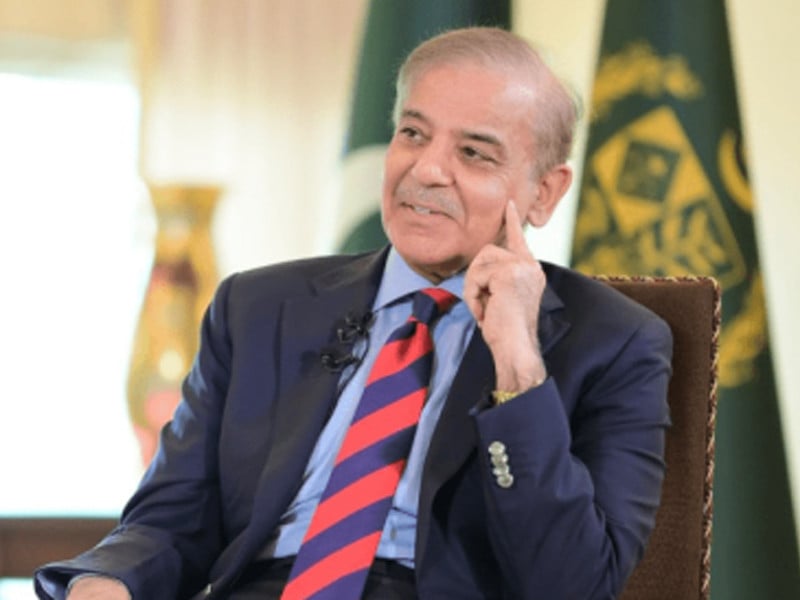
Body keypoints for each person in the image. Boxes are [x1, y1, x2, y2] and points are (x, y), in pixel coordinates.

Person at [35, 27, 672, 599]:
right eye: (413, 134)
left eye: (474, 153)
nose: (427, 169)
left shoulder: (613, 342)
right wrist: (106, 583)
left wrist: (518, 368)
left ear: (545, 192)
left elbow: (571, 583)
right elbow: (172, 519)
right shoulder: (258, 309)